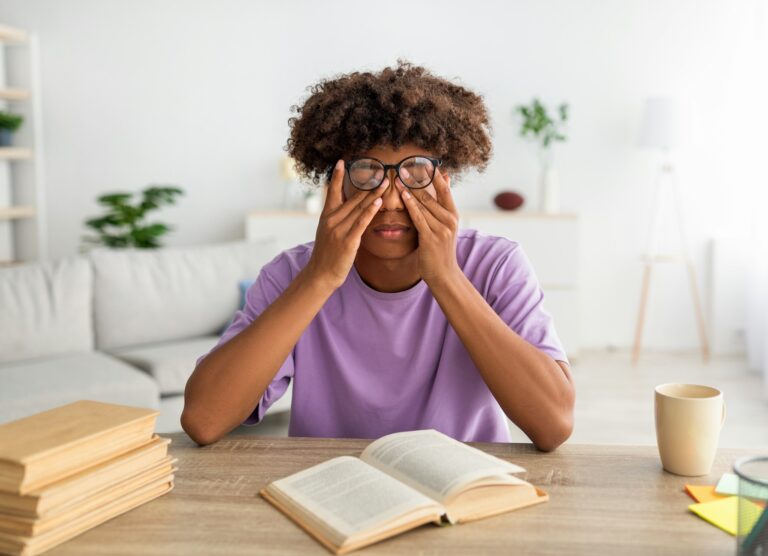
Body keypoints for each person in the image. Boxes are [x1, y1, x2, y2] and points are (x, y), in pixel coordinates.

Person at [181, 61, 575, 451]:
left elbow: (553, 424)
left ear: (445, 180)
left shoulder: (495, 266)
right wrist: (320, 278)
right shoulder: (292, 275)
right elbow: (204, 419)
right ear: (334, 183)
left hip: (462, 495)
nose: (389, 200)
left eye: (415, 172)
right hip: (333, 495)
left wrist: (447, 278)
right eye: (368, 172)